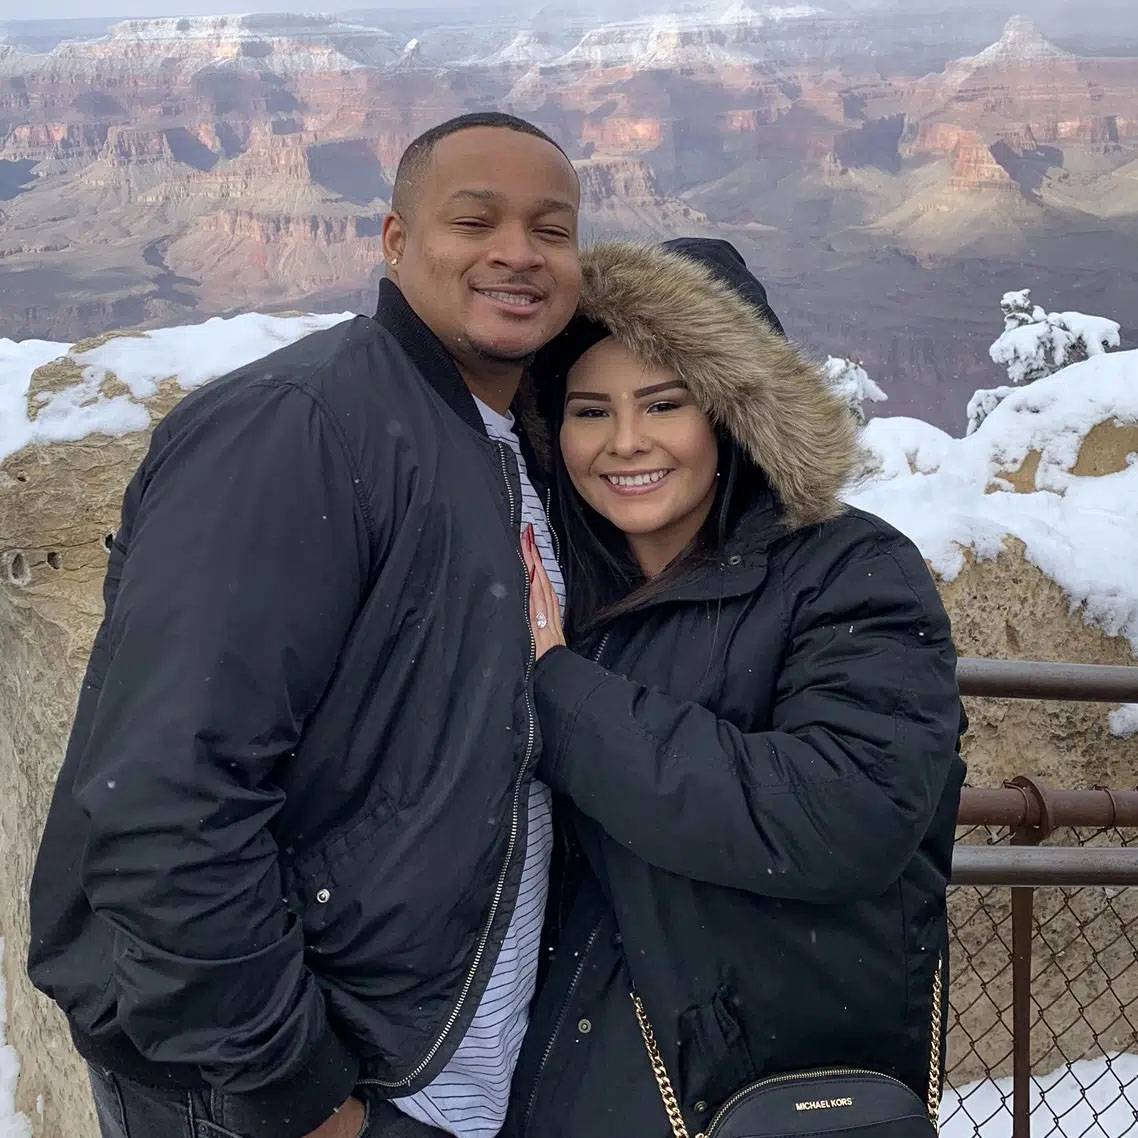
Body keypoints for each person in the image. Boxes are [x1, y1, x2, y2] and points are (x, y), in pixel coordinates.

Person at [27, 112, 581, 1138]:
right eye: (475, 219)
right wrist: (294, 1087)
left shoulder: (498, 438)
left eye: (551, 230)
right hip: (293, 1084)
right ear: (394, 241)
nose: (517, 252)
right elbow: (166, 794)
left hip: (433, 1061)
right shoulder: (301, 425)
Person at [505, 238, 966, 1138]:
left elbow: (842, 816)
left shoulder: (851, 572)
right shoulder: (554, 580)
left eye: (664, 404)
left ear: (730, 414)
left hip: (755, 1087)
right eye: (590, 410)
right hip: (552, 1075)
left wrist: (557, 691)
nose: (625, 442)